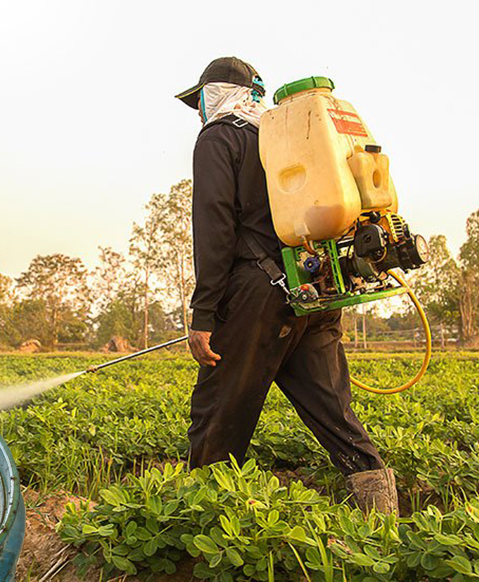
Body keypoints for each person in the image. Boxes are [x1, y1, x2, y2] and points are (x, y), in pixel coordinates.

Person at [175, 57, 398, 515]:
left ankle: (199, 522)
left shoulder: (220, 137)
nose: (197, 112)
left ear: (212, 95)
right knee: (333, 411)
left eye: (198, 101)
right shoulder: (288, 140)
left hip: (257, 296)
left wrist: (203, 315)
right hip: (314, 290)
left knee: (218, 412)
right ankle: (383, 517)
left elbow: (214, 228)